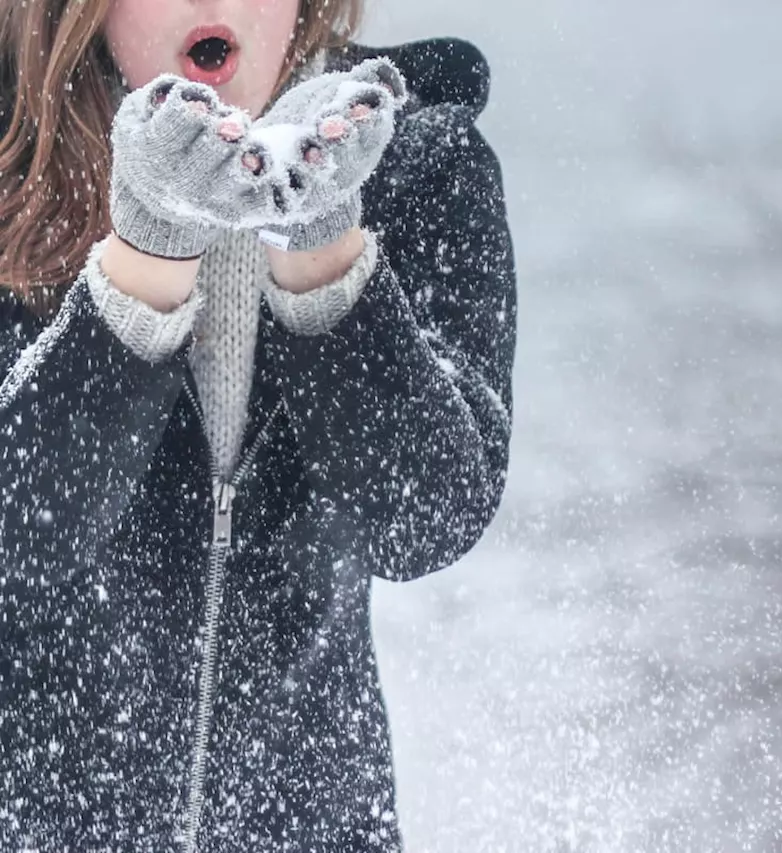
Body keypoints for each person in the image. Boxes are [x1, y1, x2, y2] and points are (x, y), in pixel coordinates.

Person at [0, 0, 516, 848]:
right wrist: (147, 258)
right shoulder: (11, 161)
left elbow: (428, 516)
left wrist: (323, 253)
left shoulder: (420, 161)